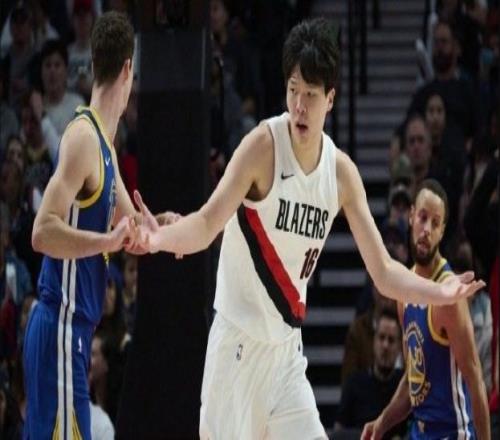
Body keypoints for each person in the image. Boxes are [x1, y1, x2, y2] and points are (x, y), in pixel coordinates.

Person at [135, 18, 485, 439]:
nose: (299, 106)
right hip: (238, 349)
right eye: (293, 90)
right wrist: (157, 238)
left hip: (286, 355)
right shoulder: (262, 146)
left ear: (331, 99)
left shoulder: (340, 174)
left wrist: (440, 292)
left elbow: (384, 271)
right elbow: (207, 223)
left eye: (311, 95)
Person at [23, 11, 142, 440]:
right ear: (127, 69)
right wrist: (106, 240)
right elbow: (41, 232)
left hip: (72, 335)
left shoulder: (105, 144)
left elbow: (133, 226)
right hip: (59, 325)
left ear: (92, 64)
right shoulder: (83, 138)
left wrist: (167, 226)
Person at [362, 179, 490, 440]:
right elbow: (414, 378)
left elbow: (475, 379)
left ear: (442, 232)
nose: (426, 230)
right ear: (411, 217)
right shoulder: (404, 291)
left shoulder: (448, 295)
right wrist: (382, 422)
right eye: (422, 218)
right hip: (419, 433)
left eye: (435, 223)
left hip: (452, 433)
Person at [335, 309, 406, 439]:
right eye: (381, 337)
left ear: (400, 347)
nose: (385, 345)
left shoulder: (405, 386)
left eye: (391, 340)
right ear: (374, 341)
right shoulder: (354, 383)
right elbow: (339, 433)